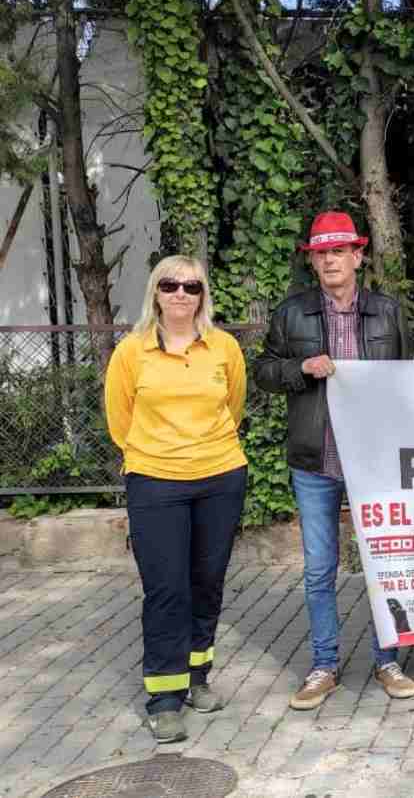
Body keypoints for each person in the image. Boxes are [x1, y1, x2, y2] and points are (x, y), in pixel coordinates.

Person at [253, 212, 414, 711]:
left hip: (375, 463)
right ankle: (324, 664)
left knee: (384, 564)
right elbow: (263, 370)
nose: (330, 259)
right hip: (316, 461)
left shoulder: (388, 312)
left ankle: (387, 659)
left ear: (357, 256)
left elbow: (406, 380)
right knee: (320, 568)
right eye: (321, 252)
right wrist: (299, 368)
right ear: (314, 261)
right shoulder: (293, 313)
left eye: (339, 251)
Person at [103, 256, 248, 743]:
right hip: (156, 481)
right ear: (156, 293)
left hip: (220, 477)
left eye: (191, 286)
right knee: (167, 590)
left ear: (203, 295)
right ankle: (164, 698)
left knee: (206, 583)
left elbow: (235, 404)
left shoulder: (223, 347)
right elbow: (119, 418)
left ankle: (197, 677)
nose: (181, 294)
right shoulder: (132, 352)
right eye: (171, 285)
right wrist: (156, 456)